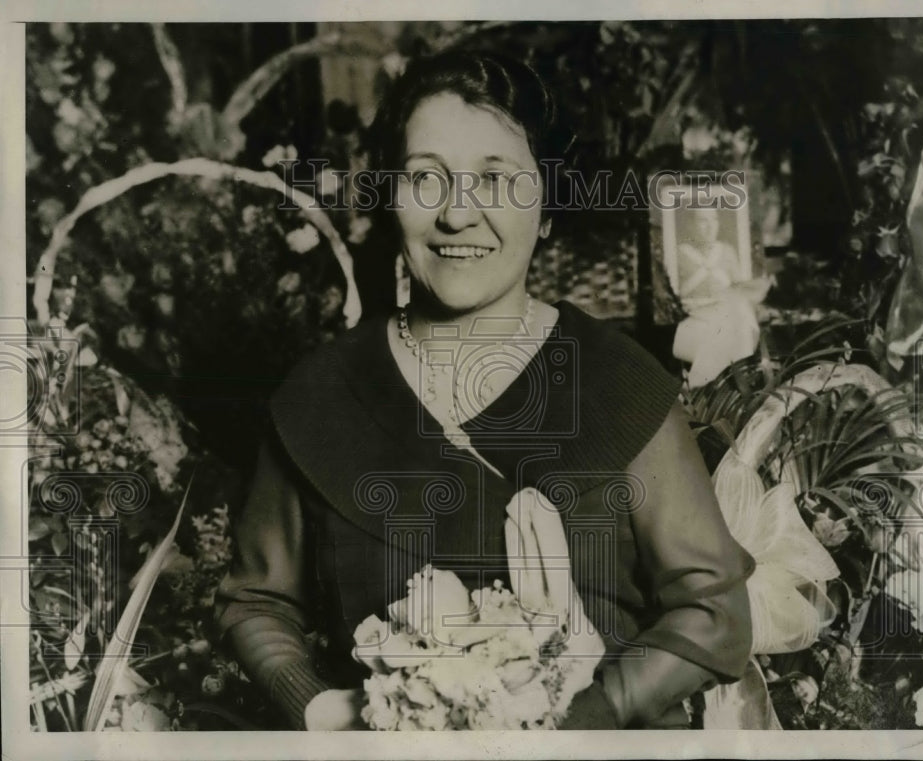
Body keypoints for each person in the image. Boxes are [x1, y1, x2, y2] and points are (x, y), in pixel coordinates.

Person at [215, 50, 754, 731]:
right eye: (425, 178)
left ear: (548, 207)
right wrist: (326, 709)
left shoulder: (617, 381)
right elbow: (256, 601)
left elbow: (713, 611)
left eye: (496, 180)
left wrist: (583, 722)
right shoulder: (321, 394)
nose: (458, 214)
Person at [671, 207, 769, 387]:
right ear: (691, 225)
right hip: (693, 315)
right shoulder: (679, 253)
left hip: (726, 312)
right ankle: (706, 387)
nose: (710, 226)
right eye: (703, 221)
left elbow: (739, 288)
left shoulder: (726, 251)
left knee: (738, 324)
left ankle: (732, 385)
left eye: (714, 220)